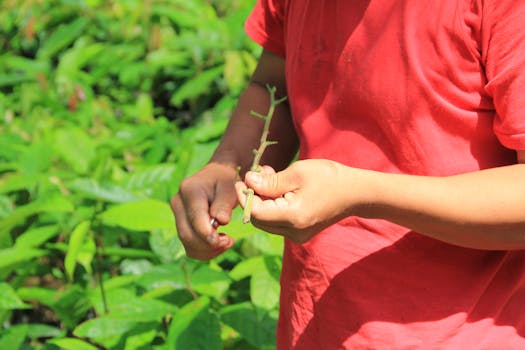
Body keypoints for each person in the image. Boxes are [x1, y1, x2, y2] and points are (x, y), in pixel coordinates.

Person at [170, 0, 525, 348]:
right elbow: (273, 86)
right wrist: (228, 166)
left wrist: (362, 194)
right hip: (317, 322)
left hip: (463, 331)